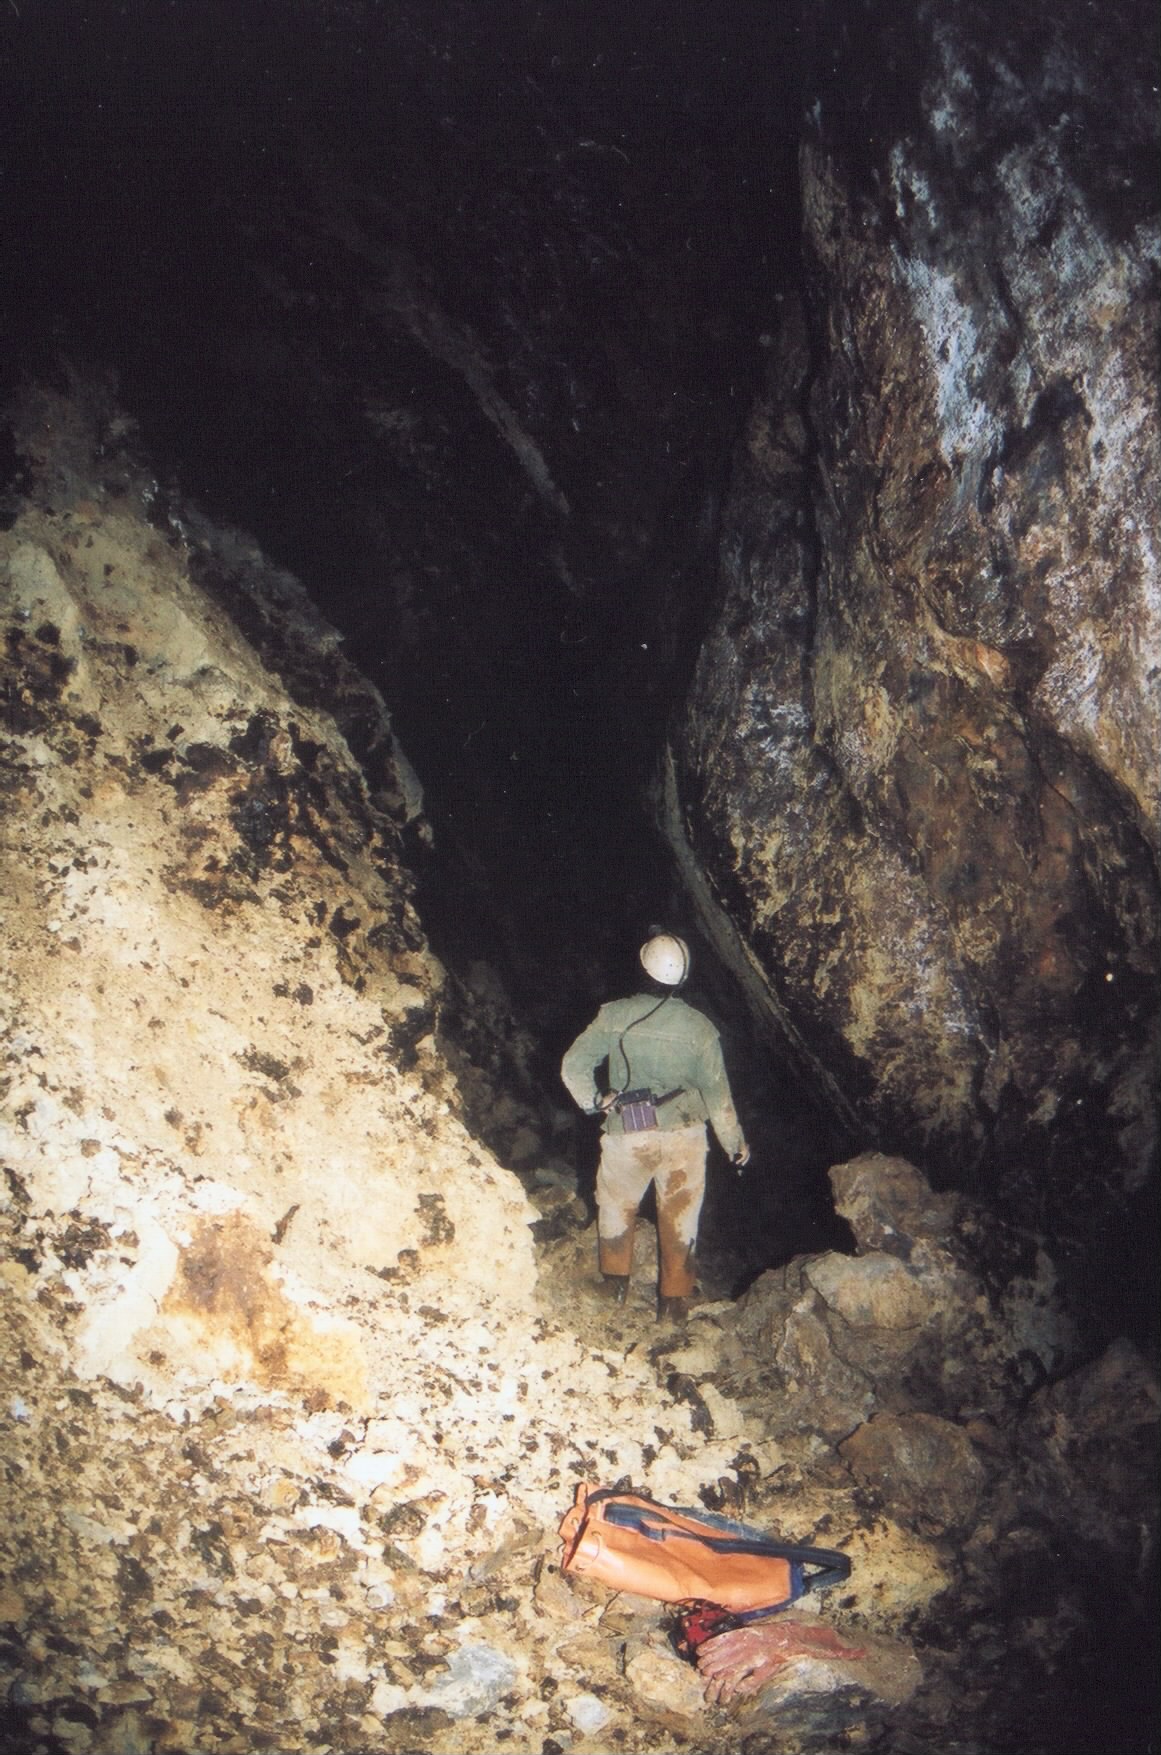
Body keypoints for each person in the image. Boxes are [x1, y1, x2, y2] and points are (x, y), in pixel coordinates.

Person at [560, 932, 750, 1320]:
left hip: (629, 1131)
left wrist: (595, 1100)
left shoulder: (614, 1015)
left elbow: (573, 1066)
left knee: (616, 1203)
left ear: (642, 967)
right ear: (684, 977)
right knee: (681, 1217)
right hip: (684, 1136)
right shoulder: (700, 1028)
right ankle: (673, 1305)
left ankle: (614, 1286)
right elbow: (719, 1096)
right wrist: (735, 1145)